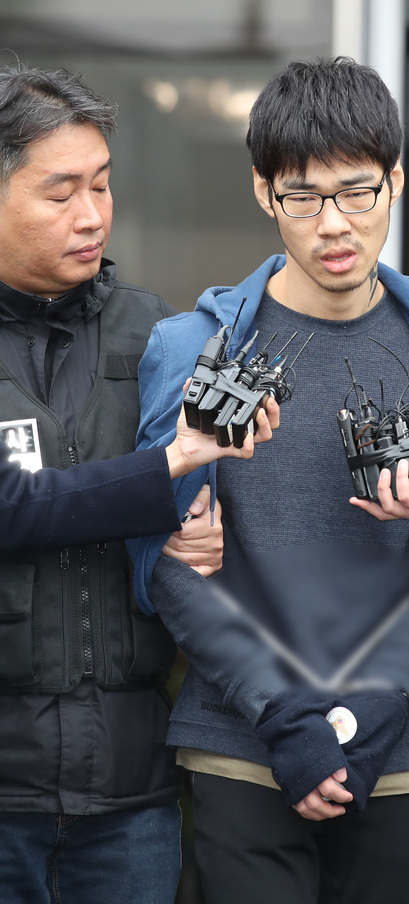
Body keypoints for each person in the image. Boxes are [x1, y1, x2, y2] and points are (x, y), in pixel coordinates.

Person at [129, 57, 409, 904]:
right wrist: (281, 713)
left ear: (396, 180)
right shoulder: (194, 349)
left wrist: (374, 709)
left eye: (357, 191)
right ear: (264, 192)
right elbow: (163, 556)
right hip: (240, 739)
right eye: (304, 197)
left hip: (404, 742)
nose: (334, 224)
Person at [0, 63, 263, 904]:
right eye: (61, 192)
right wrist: (167, 467)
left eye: (103, 185)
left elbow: (223, 507)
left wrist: (200, 534)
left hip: (134, 788)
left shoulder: (158, 333)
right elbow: (12, 508)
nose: (92, 215)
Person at [0, 398, 275, 552]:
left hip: (141, 630)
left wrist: (191, 501)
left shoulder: (156, 325)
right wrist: (175, 460)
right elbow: (9, 506)